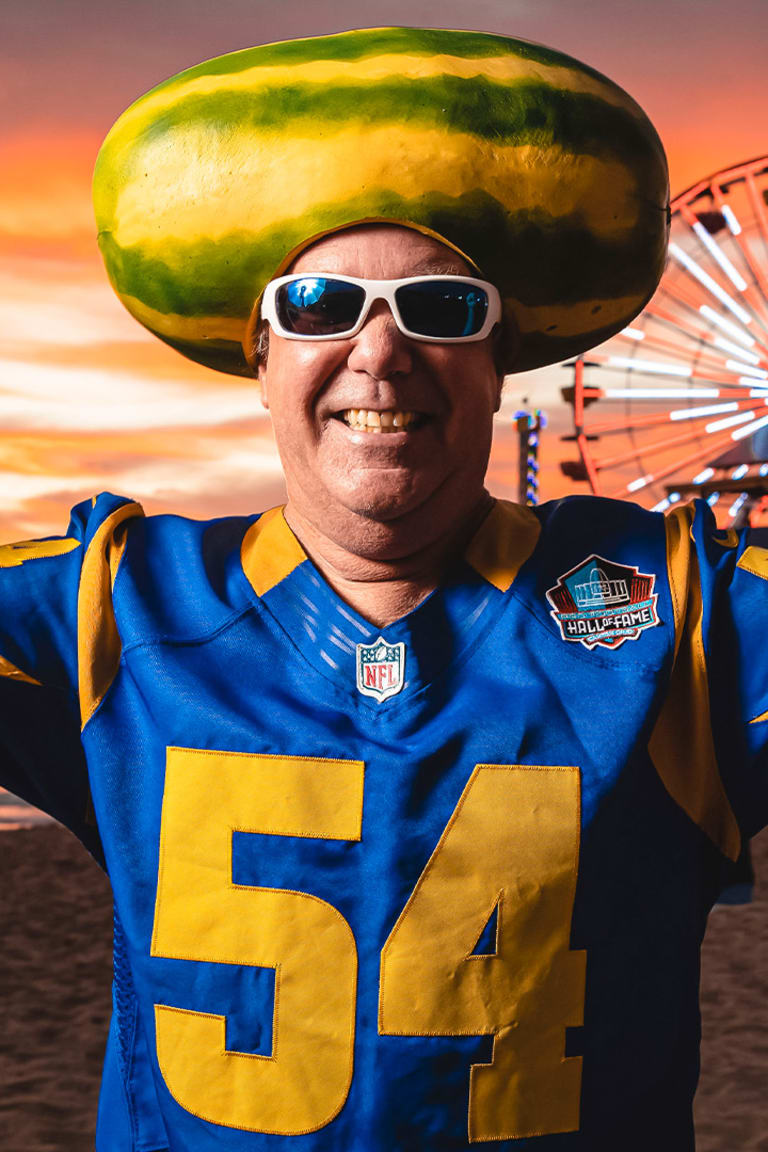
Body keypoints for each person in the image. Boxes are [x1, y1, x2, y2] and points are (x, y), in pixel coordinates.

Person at [2, 25, 766, 1152]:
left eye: (443, 310)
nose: (380, 353)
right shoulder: (111, 612)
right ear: (256, 350)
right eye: (318, 305)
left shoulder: (686, 619)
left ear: (502, 362)